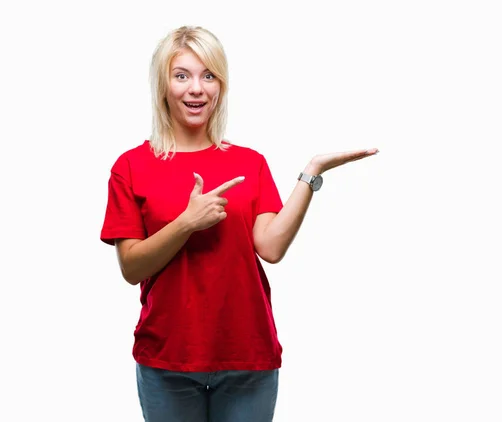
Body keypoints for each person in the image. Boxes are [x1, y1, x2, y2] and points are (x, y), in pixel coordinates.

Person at [100, 25, 378, 422]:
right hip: (167, 358)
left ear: (221, 85)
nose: (196, 88)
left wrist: (311, 173)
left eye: (208, 75)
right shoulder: (131, 166)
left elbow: (272, 247)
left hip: (248, 355)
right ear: (163, 86)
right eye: (182, 76)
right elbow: (131, 268)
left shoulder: (249, 162)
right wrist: (187, 223)